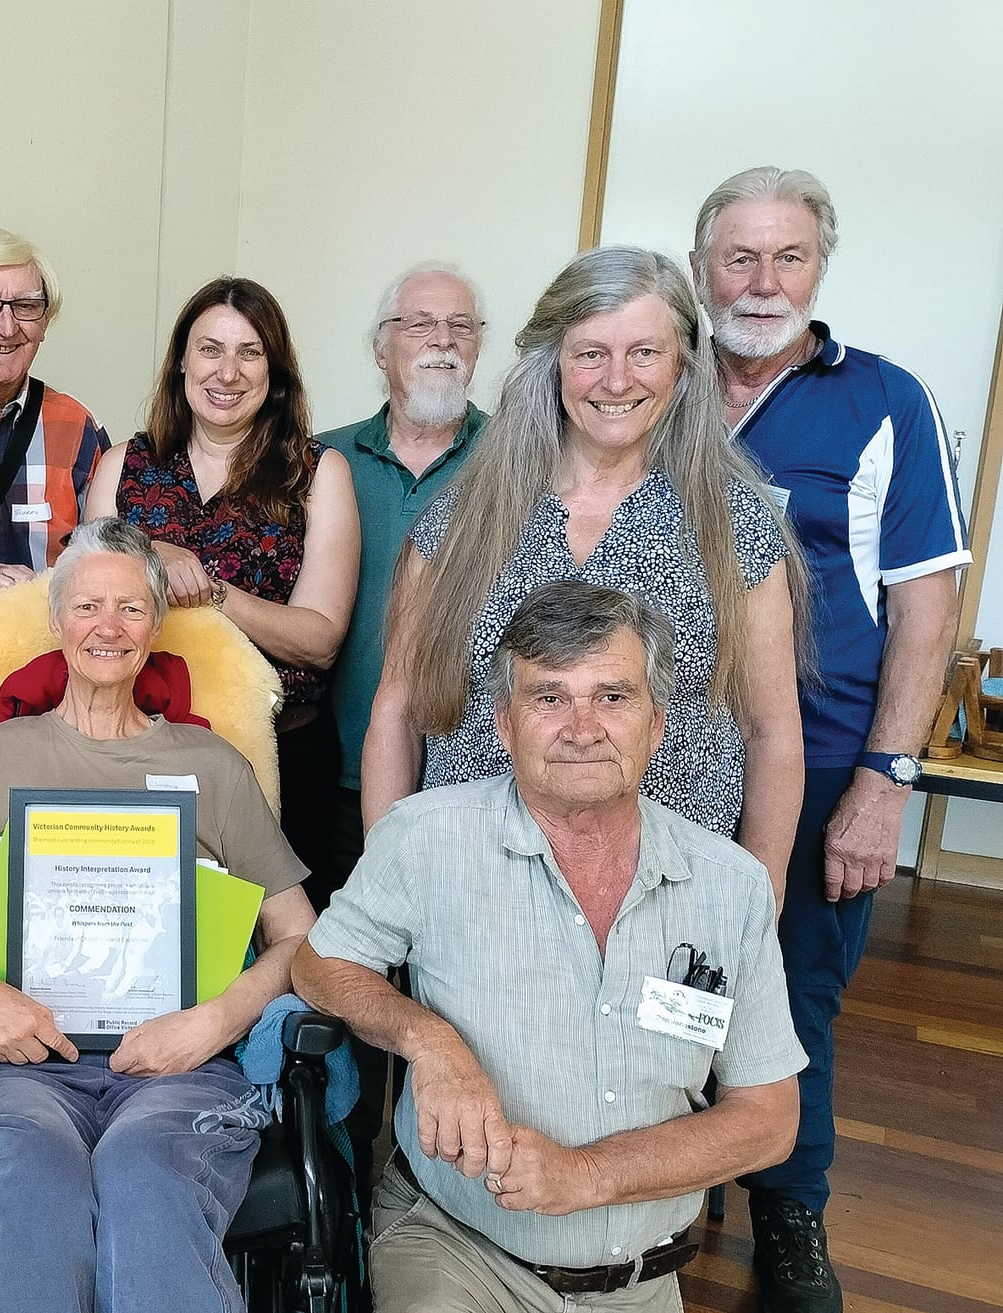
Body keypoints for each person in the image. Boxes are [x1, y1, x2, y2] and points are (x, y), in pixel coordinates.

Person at [296, 581, 807, 1312]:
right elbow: (320, 963)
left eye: (613, 697)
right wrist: (429, 1041)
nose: (581, 727)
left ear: (657, 725)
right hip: (459, 1246)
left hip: (639, 1280)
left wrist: (588, 1174)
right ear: (505, 725)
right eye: (548, 697)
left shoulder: (731, 886)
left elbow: (769, 1118)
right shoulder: (427, 836)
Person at [0, 517, 318, 1313]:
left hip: (180, 1069)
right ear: (56, 620)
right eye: (87, 606)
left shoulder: (213, 766)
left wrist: (215, 1021)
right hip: (16, 1069)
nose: (107, 627)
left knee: (148, 1179)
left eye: (130, 608)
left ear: (156, 624)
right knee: (33, 1187)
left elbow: (300, 936)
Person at [692, 166, 968, 1313]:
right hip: (654, 757)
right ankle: (662, 1179)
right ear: (700, 266)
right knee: (657, 977)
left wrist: (884, 780)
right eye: (738, 257)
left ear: (818, 268)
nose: (760, 282)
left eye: (786, 256)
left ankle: (788, 1211)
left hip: (815, 760)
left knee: (786, 994)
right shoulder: (647, 377)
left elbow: (925, 606)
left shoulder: (883, 399)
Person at [363, 245, 806, 895]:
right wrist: (384, 890)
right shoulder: (463, 518)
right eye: (591, 353)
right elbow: (398, 711)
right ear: (553, 363)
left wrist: (757, 913)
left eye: (645, 352)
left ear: (683, 367)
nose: (617, 380)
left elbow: (773, 734)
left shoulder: (734, 525)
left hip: (668, 898)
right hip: (472, 890)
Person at [84, 277, 360, 906]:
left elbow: (319, 639)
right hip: (135, 749)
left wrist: (210, 592)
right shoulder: (125, 466)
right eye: (210, 349)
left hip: (280, 756)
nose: (228, 372)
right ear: (182, 361)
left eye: (249, 352)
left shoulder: (318, 473)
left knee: (279, 942)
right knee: (144, 932)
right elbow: (85, 606)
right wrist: (150, 558)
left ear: (275, 372)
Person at [312, 262, 489, 1174]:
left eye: (462, 325)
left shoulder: (516, 461)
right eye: (421, 324)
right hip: (332, 773)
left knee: (450, 1002)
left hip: (466, 786)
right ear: (381, 346)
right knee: (347, 996)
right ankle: (340, 1183)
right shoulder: (322, 459)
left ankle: (430, 1181)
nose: (442, 341)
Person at [0, 227, 110, 608]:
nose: (7, 327)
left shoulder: (77, 430)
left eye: (26, 307)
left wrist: (42, 593)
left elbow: (111, 570)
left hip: (46, 641)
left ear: (44, 323)